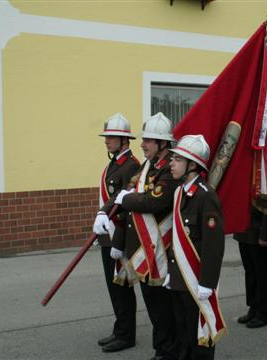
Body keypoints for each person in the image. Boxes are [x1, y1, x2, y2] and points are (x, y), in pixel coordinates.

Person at [112, 112, 180, 360]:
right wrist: (106, 210)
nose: (143, 144)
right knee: (154, 305)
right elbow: (129, 189)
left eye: (149, 140)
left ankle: (167, 351)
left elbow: (154, 201)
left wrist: (126, 199)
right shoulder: (148, 166)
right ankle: (162, 348)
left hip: (160, 250)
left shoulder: (169, 169)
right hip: (143, 247)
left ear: (163, 144)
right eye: (144, 140)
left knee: (163, 307)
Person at [166, 134, 226, 360]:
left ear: (192, 165)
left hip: (197, 279)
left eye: (177, 159)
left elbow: (214, 245)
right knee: (183, 331)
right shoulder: (179, 192)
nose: (171, 163)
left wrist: (207, 283)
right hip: (180, 277)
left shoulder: (206, 196)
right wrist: (172, 272)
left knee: (199, 334)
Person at [92, 113, 140, 352]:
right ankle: (119, 327)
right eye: (107, 137)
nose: (107, 141)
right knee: (113, 286)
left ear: (124, 141)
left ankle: (126, 334)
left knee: (121, 285)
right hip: (107, 233)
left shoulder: (131, 166)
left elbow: (121, 201)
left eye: (112, 137)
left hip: (120, 234)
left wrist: (104, 213)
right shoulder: (115, 162)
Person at [233, 207, 267, 329]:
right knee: (250, 272)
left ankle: (264, 312)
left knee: (262, 273)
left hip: (259, 229)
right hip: (244, 229)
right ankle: (254, 307)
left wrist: (266, 233)